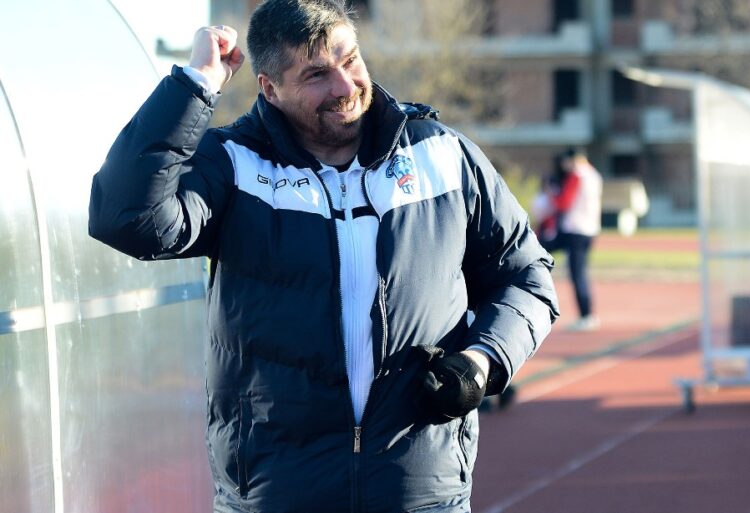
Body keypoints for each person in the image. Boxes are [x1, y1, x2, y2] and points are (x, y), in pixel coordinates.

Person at [88, 1, 558, 512]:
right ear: (270, 88)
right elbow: (126, 218)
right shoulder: (233, 165)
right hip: (276, 493)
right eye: (316, 75)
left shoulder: (441, 155)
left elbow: (527, 276)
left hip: (420, 492)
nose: (345, 86)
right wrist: (195, 83)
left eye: (350, 60)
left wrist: (483, 359)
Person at [532, 149, 602, 331]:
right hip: (589, 229)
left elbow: (563, 203)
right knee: (577, 271)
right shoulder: (594, 175)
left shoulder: (577, 175)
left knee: (575, 272)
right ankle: (586, 315)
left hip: (574, 230)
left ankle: (587, 315)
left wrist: (551, 193)